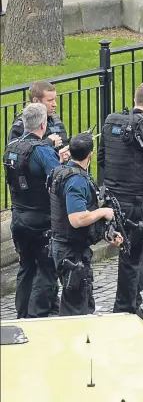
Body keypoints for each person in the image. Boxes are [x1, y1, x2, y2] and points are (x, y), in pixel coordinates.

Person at [97, 82, 143, 325]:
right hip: (135, 201)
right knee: (132, 255)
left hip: (114, 197)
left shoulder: (111, 121)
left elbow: (101, 158)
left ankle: (134, 303)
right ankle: (126, 311)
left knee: (133, 253)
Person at [10, 81, 69, 315]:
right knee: (44, 268)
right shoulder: (24, 131)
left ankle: (25, 314)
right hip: (39, 212)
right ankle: (35, 316)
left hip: (22, 213)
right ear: (36, 102)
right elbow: (53, 175)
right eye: (49, 100)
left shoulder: (53, 121)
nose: (54, 104)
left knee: (28, 267)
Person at [48, 133, 123, 316]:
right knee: (75, 308)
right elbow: (77, 219)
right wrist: (103, 212)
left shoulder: (60, 170)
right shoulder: (76, 180)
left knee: (83, 302)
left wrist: (107, 234)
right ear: (90, 155)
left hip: (68, 247)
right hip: (71, 251)